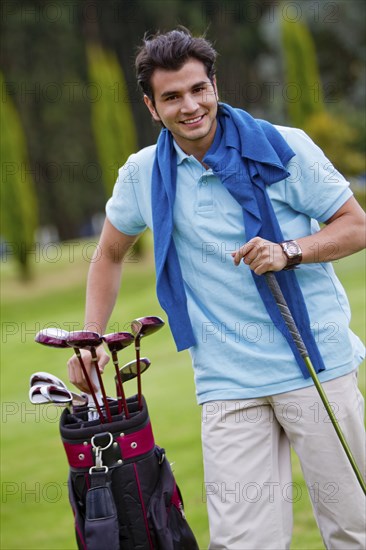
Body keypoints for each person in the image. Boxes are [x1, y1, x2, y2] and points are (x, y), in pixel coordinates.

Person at [68, 28, 366, 549]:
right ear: (151, 106)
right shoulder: (143, 174)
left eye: (198, 89)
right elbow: (109, 254)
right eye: (172, 97)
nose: (191, 106)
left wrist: (288, 250)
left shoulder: (284, 146)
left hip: (315, 365)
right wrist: (91, 335)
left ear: (215, 85)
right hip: (227, 382)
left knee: (353, 529)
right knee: (242, 542)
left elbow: (355, 224)